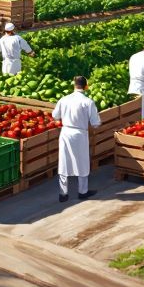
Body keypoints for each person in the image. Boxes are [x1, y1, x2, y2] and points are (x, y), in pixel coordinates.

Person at [53, 75, 102, 203]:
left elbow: (55, 116)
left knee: (64, 162)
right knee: (82, 161)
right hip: (80, 133)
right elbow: (96, 122)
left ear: (74, 85)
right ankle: (82, 191)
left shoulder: (64, 99)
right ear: (86, 86)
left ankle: (63, 194)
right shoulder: (88, 102)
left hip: (66, 132)